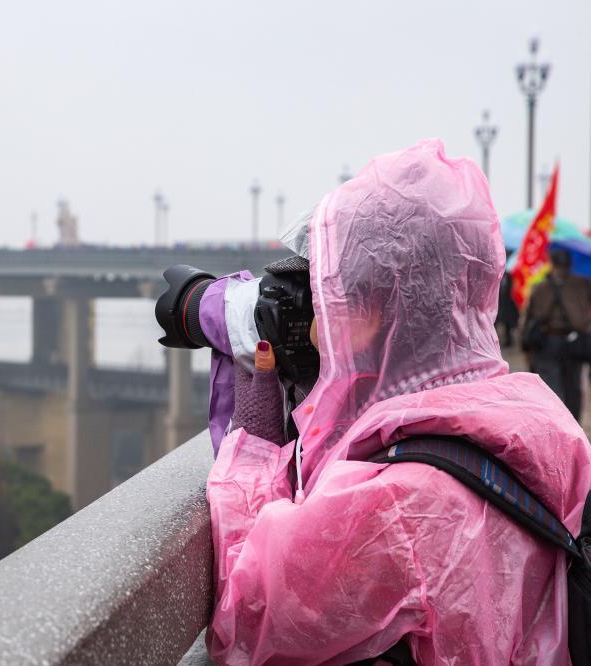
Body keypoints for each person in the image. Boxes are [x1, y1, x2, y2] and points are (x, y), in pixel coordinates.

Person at [199, 140, 591, 664]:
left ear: (367, 312)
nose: (318, 319)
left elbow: (250, 621)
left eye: (326, 294)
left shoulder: (396, 505)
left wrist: (255, 437)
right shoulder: (543, 426)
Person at [521, 248, 591, 421]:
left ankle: (555, 425)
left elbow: (527, 319)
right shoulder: (582, 284)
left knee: (550, 389)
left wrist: (525, 348)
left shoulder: (539, 287)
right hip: (571, 341)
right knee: (572, 388)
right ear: (570, 264)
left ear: (551, 263)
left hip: (548, 341)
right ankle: (573, 425)